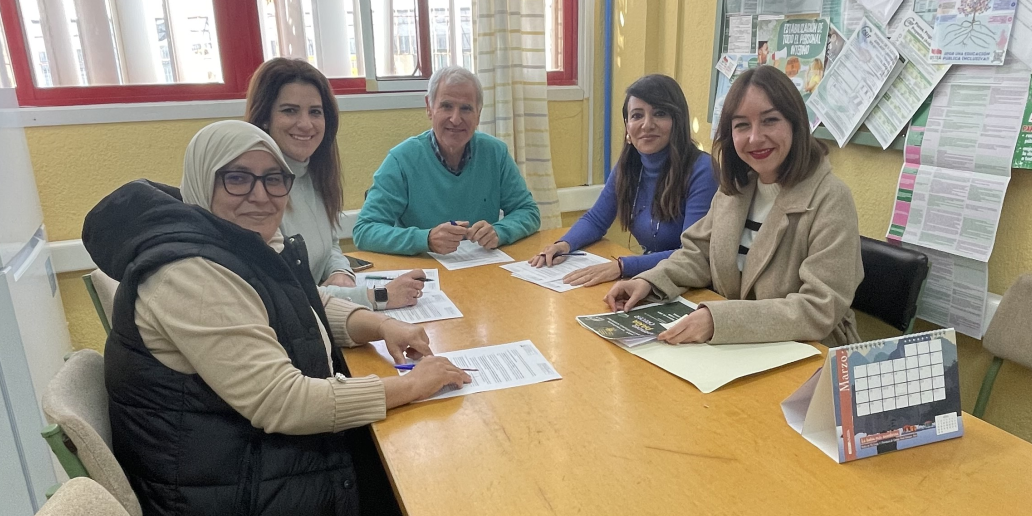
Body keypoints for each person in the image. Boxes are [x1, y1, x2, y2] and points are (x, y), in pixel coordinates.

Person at [81, 120, 471, 516]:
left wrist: (378, 326)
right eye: (237, 178)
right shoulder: (189, 274)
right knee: (427, 493)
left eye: (274, 178)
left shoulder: (224, 244)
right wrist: (414, 386)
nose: (261, 195)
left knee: (412, 474)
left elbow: (292, 309)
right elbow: (283, 403)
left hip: (230, 470)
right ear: (203, 180)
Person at [603, 65, 863, 347]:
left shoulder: (831, 198)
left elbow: (819, 307)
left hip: (806, 351)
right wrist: (650, 282)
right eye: (741, 125)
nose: (754, 137)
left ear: (796, 123)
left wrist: (720, 321)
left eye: (770, 120)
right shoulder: (735, 189)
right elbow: (699, 255)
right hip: (738, 347)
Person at [245, 57, 424, 310]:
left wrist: (342, 273)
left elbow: (330, 246)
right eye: (290, 110)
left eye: (315, 112)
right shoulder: (255, 194)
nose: (306, 124)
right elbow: (283, 294)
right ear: (265, 118)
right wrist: (378, 296)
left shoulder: (314, 174)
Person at [528, 74, 715, 286]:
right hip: (649, 280)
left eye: (659, 113)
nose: (647, 124)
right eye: (637, 116)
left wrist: (622, 266)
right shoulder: (630, 166)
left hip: (690, 285)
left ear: (678, 121)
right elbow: (596, 219)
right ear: (627, 128)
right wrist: (564, 244)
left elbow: (691, 255)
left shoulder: (703, 171)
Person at [352, 65, 541, 255]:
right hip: (422, 274)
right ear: (429, 108)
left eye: (466, 108)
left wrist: (500, 231)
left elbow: (528, 211)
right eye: (446, 106)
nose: (456, 119)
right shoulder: (401, 160)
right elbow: (364, 230)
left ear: (478, 114)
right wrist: (425, 239)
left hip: (482, 269)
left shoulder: (495, 153)